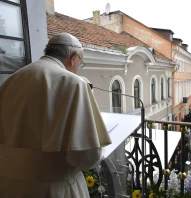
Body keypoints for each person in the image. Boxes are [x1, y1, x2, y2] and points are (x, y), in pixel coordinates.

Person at [0, 33, 112, 198]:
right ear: (74, 58)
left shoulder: (12, 80)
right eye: (81, 61)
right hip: (52, 189)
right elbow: (84, 157)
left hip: (8, 185)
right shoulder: (74, 83)